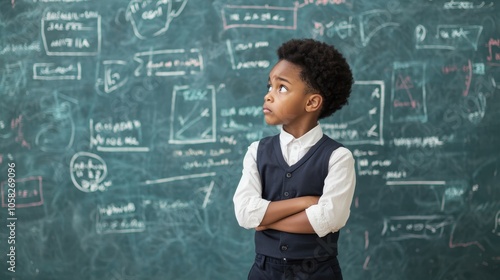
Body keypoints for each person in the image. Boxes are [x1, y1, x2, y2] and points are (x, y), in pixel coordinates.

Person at [233, 38, 356, 280]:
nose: (269, 96)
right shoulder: (256, 151)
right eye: (269, 86)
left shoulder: (338, 157)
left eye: (282, 88)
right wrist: (305, 203)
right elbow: (245, 214)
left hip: (318, 272)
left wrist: (265, 221)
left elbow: (329, 218)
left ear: (312, 102)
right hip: (264, 271)